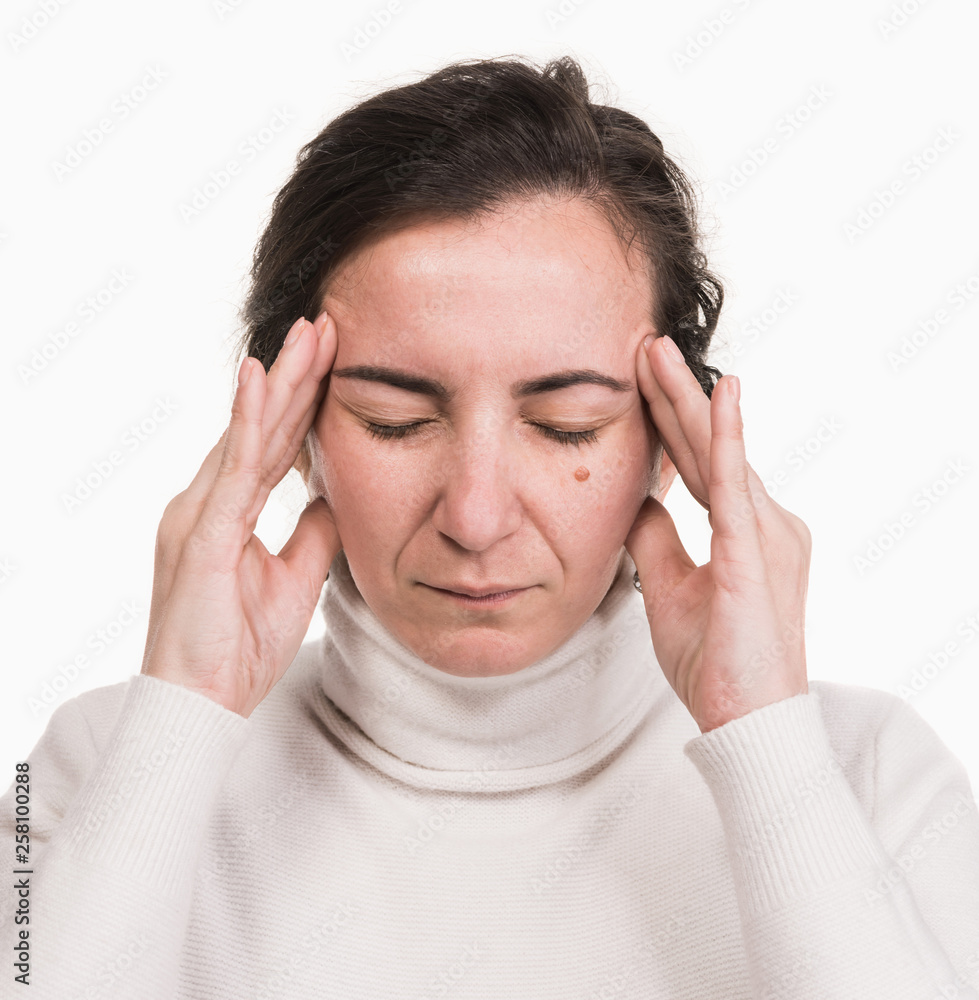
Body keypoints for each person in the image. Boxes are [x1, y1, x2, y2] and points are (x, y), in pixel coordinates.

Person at [3, 54, 977, 999]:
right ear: (290, 431)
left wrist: (764, 732)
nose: (474, 515)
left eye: (566, 426)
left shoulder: (865, 772)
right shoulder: (99, 765)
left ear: (671, 438)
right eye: (396, 419)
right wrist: (185, 710)